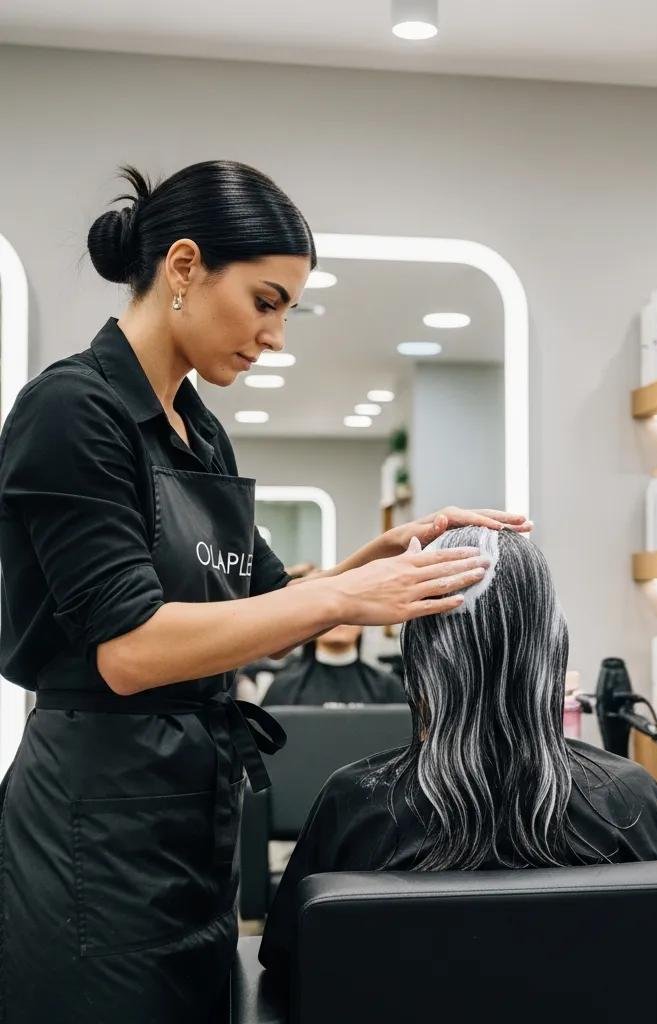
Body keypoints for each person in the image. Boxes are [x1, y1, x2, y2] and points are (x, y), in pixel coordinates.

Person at [0, 159, 531, 1024]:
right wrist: (342, 601)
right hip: (92, 837)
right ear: (182, 268)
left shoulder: (198, 430)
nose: (277, 336)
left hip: (188, 824)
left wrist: (379, 557)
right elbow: (130, 650)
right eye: (266, 300)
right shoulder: (71, 412)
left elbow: (261, 598)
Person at [259, 527, 657, 980]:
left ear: (420, 654)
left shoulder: (354, 804)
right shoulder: (629, 798)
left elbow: (288, 969)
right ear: (551, 646)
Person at [262, 624, 405, 706]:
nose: (339, 618)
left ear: (363, 622)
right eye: (330, 610)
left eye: (347, 610)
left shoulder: (389, 687)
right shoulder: (283, 687)